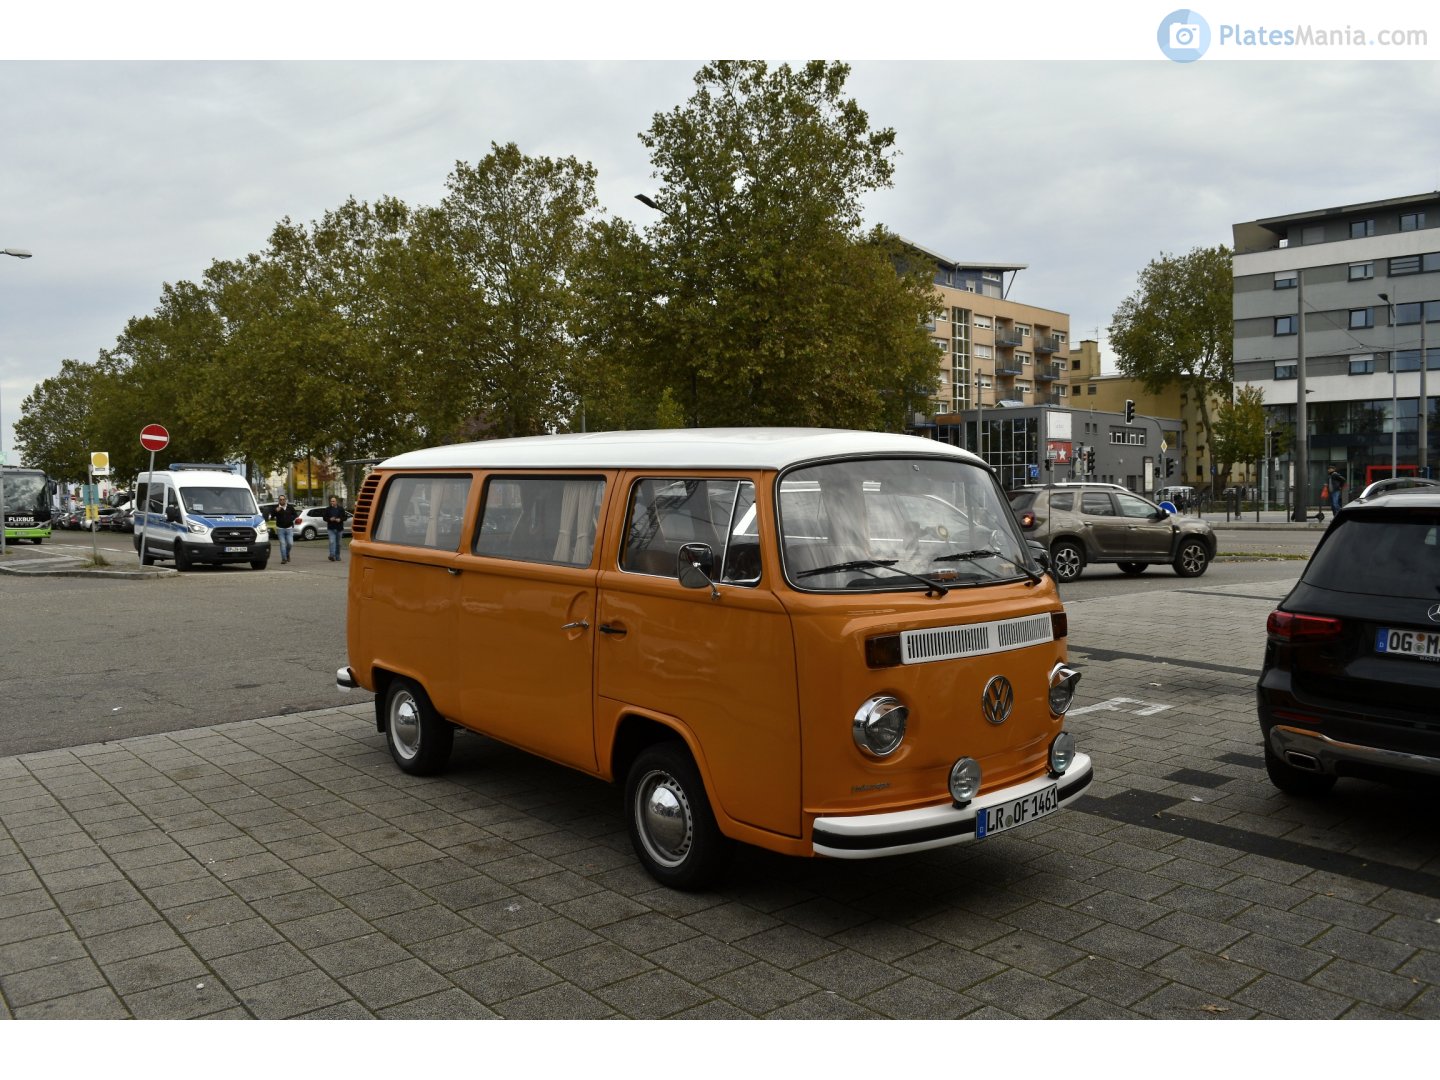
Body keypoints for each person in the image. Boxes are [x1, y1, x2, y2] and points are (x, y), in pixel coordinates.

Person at [273, 495, 298, 564]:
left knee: (290, 543)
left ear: (285, 500)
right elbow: (271, 516)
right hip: (280, 528)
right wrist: (275, 511)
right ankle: (284, 559)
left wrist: (291, 519)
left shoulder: (290, 507)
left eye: (283, 499)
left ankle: (287, 554)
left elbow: (295, 515)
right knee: (282, 543)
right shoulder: (276, 508)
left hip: (289, 528)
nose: (282, 501)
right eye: (280, 499)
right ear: (278, 500)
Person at [323, 495, 347, 562]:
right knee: (332, 541)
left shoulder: (341, 509)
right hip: (331, 528)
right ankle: (332, 555)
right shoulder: (328, 509)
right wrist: (330, 519)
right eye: (331, 501)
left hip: (339, 528)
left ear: (336, 501)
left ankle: (337, 556)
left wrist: (340, 519)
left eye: (333, 501)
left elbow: (345, 517)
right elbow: (324, 518)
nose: (332, 502)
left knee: (338, 543)